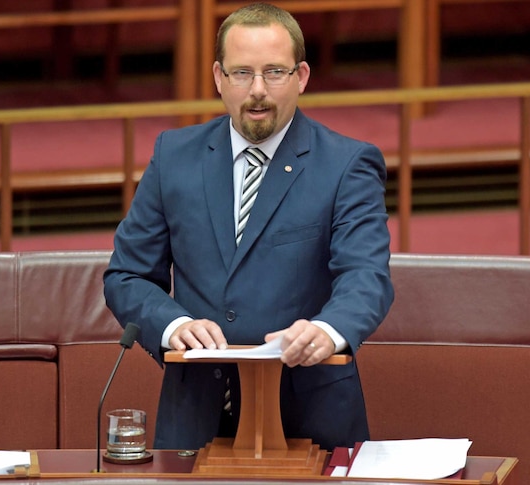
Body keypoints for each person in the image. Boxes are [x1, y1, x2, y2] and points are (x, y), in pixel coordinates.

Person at [103, 2, 394, 452]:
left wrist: (328, 330)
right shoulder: (174, 156)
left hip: (309, 416)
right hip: (195, 418)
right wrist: (171, 323)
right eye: (242, 74)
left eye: (274, 72)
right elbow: (127, 276)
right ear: (219, 77)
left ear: (301, 76)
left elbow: (366, 277)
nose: (257, 90)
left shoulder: (347, 164)